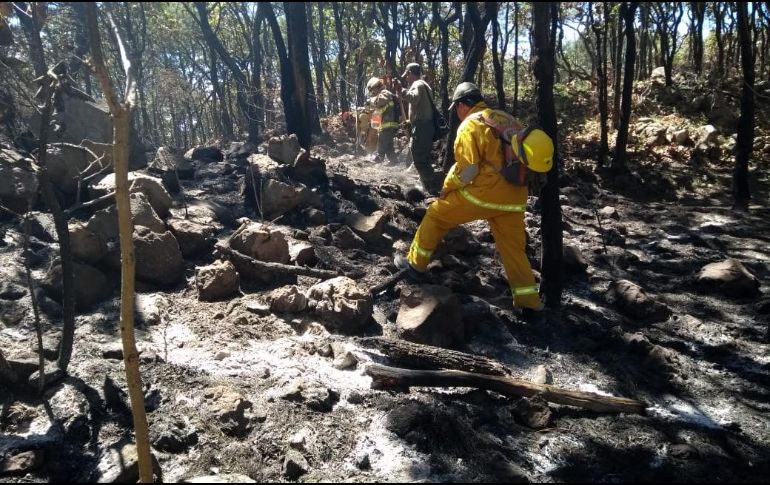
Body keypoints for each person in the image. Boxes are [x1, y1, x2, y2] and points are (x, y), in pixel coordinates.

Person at [395, 82, 555, 315]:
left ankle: (415, 266)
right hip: (515, 198)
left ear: (461, 105)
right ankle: (529, 303)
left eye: (455, 108)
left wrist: (447, 188)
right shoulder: (506, 118)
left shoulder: (470, 125)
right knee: (514, 250)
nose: (456, 113)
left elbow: (469, 170)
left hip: (483, 195)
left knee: (436, 214)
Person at [399, 63, 438, 192]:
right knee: (421, 156)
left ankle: (430, 187)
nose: (406, 78)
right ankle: (426, 184)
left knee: (420, 158)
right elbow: (422, 107)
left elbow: (414, 99)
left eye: (407, 75)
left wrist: (401, 90)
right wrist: (411, 121)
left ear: (410, 73)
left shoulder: (418, 84)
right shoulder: (424, 85)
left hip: (422, 126)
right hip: (423, 125)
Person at [366, 77, 400, 165]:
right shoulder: (381, 94)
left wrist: (371, 100)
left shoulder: (385, 93)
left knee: (382, 141)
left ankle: (378, 157)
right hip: (387, 124)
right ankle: (393, 161)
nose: (373, 93)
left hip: (388, 124)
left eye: (373, 90)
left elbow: (379, 102)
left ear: (377, 86)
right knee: (388, 145)